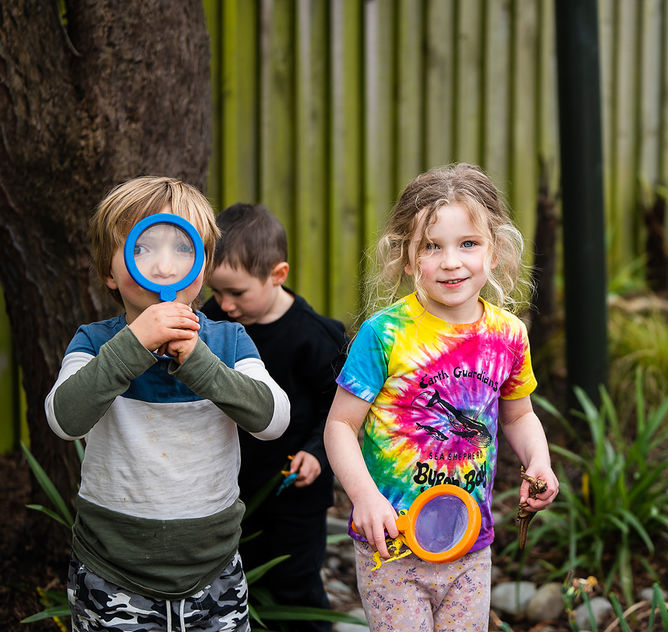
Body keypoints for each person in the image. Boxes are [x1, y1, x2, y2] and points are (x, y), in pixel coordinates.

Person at [45, 177, 291, 632]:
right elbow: (65, 419)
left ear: (203, 264)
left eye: (182, 248)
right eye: (141, 249)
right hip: (110, 572)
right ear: (108, 273)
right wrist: (132, 345)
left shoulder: (229, 341)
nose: (162, 266)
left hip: (213, 572)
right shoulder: (94, 343)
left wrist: (200, 363)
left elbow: (273, 420)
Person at [324, 162, 559, 631]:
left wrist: (539, 460)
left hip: (469, 544)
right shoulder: (385, 334)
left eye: (468, 243)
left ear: (495, 251)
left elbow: (518, 416)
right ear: (408, 260)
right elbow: (340, 426)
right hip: (392, 545)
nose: (452, 261)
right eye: (432, 246)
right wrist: (364, 497)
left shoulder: (509, 334)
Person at [201, 203, 347, 632]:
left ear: (277, 274)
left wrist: (317, 453)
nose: (225, 304)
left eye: (237, 293)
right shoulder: (208, 322)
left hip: (294, 489)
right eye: (216, 292)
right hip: (228, 485)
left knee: (294, 583)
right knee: (232, 582)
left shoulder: (316, 336)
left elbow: (338, 408)